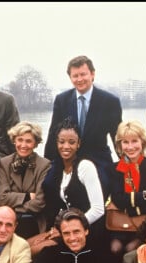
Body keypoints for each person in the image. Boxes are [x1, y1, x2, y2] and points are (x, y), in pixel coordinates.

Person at [44, 55, 122, 198]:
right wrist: (47, 163)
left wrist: (126, 164)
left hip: (97, 158)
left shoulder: (110, 101)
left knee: (102, 186)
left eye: (83, 74)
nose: (79, 79)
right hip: (67, 158)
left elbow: (117, 137)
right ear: (70, 78)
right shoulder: (62, 100)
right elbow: (53, 133)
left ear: (92, 74)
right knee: (48, 184)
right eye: (75, 76)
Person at [42, 117, 106, 247]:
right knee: (25, 245)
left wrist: (69, 228)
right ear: (56, 143)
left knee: (31, 251)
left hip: (86, 231)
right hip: (64, 230)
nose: (66, 146)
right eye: (62, 142)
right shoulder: (57, 168)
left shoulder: (85, 167)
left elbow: (98, 209)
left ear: (78, 144)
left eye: (71, 142)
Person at [108, 120, 146, 256]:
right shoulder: (114, 169)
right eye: (125, 142)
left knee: (131, 249)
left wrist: (128, 204)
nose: (130, 147)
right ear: (120, 145)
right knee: (114, 248)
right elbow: (118, 199)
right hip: (119, 225)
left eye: (134, 141)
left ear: (142, 142)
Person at [0, 120, 51, 238]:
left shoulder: (44, 165)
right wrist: (27, 196)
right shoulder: (4, 163)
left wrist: (13, 208)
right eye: (20, 140)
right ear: (14, 140)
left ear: (36, 144)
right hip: (8, 221)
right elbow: (2, 198)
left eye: (28, 141)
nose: (23, 145)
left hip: (33, 220)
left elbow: (39, 202)